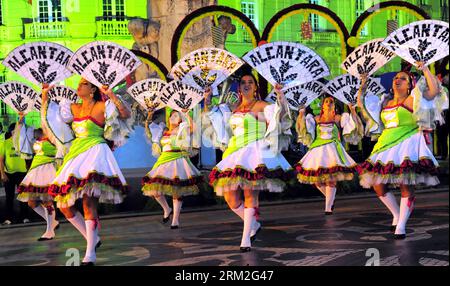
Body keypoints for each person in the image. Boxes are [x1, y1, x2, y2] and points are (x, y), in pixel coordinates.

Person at [41, 78, 132, 265]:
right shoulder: (72, 108)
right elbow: (51, 122)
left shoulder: (102, 106)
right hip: (76, 154)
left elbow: (125, 113)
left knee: (89, 202)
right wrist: (45, 96)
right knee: (63, 205)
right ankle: (92, 238)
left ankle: (90, 253)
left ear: (92, 89)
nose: (78, 86)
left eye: (83, 83)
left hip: (96, 153)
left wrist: (111, 94)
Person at [204, 72, 292, 252]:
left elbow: (279, 115)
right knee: (230, 198)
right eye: (243, 82)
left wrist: (280, 95)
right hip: (234, 153)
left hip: (255, 153)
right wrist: (207, 98)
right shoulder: (232, 107)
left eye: (250, 82)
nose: (246, 85)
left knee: (250, 194)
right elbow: (213, 115)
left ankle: (245, 239)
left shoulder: (261, 105)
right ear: (239, 87)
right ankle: (253, 224)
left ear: (255, 86)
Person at [357, 62, 441, 239]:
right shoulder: (385, 101)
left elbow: (433, 91)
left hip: (407, 143)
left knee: (406, 185)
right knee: (377, 185)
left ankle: (401, 225)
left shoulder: (413, 99)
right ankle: (396, 214)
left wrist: (425, 69)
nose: (398, 80)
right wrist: (363, 84)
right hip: (385, 144)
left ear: (410, 84)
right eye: (396, 77)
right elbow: (362, 104)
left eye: (403, 78)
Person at [295, 95, 363, 214]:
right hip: (318, 150)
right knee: (316, 180)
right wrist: (301, 114)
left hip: (332, 149)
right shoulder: (316, 118)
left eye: (331, 101)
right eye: (326, 101)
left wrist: (352, 110)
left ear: (334, 104)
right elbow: (304, 129)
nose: (328, 103)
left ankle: (328, 208)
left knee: (331, 179)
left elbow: (352, 126)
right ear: (322, 105)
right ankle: (330, 199)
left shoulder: (338, 118)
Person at [142, 108, 203, 229]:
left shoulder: (182, 129)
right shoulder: (162, 130)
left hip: (178, 159)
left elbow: (194, 129)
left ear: (181, 120)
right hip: (164, 160)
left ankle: (175, 220)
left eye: (176, 116)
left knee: (177, 190)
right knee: (154, 189)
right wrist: (149, 115)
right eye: (172, 116)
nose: (173, 118)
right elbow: (149, 130)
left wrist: (186, 114)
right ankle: (167, 209)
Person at [15, 113, 59, 240]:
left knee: (47, 200)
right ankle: (52, 222)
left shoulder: (56, 135)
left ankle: (50, 230)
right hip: (35, 169)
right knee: (31, 202)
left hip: (48, 168)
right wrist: (21, 120)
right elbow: (23, 137)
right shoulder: (36, 133)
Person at [0, 123, 29, 225]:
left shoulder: (22, 143)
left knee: (23, 196)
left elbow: (28, 156)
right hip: (9, 173)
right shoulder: (5, 143)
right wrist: (2, 173)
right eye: (15, 131)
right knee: (9, 196)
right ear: (11, 132)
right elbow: (1, 160)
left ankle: (24, 216)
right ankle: (8, 218)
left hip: (22, 173)